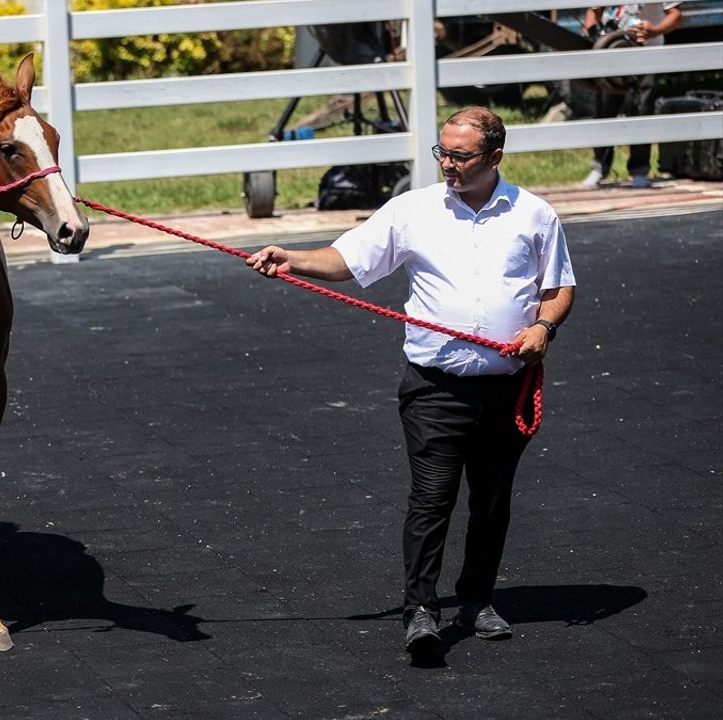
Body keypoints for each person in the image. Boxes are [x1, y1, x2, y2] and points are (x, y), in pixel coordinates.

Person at [246, 107, 576, 655]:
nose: (447, 163)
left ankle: (476, 600)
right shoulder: (412, 210)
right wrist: (293, 259)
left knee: (492, 501)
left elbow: (557, 287)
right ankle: (421, 610)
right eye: (441, 152)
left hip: (505, 388)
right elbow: (348, 259)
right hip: (433, 389)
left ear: (494, 157)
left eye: (460, 155)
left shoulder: (535, 216)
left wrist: (544, 328)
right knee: (432, 499)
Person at [580, 3, 683, 189]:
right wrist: (592, 34)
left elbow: (675, 15)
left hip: (646, 52)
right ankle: (599, 167)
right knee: (604, 108)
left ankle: (639, 170)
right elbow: (592, 12)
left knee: (642, 109)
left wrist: (655, 30)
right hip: (610, 50)